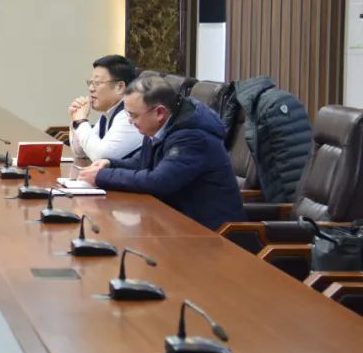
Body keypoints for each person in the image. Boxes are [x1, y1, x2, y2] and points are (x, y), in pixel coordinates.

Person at [77, 76, 245, 230]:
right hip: (175, 222)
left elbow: (160, 181)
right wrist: (109, 163)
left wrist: (102, 176)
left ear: (159, 112)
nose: (130, 121)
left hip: (212, 232)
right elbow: (141, 162)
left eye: (134, 115)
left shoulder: (192, 136)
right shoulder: (161, 125)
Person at [68, 54, 143, 162]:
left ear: (120, 87)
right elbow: (81, 152)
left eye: (97, 83)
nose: (91, 88)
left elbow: (100, 156)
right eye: (90, 82)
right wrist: (76, 119)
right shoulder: (108, 112)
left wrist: (81, 121)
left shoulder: (129, 115)